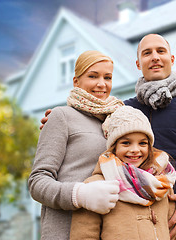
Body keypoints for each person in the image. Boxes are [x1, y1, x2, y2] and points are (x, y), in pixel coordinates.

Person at [41, 34, 176, 240]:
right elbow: (87, 116)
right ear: (138, 64)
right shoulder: (121, 110)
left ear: (172, 59)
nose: (154, 57)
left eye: (161, 51)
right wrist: (57, 118)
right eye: (147, 53)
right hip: (136, 228)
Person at [28, 50, 125, 239]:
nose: (101, 84)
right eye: (93, 76)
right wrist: (79, 194)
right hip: (65, 230)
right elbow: (37, 181)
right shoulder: (61, 116)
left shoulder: (118, 121)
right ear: (76, 81)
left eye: (108, 77)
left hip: (109, 230)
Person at [69, 106, 176, 240]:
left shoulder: (162, 184)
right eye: (126, 143)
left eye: (142, 143)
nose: (135, 150)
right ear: (114, 147)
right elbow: (84, 236)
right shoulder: (96, 186)